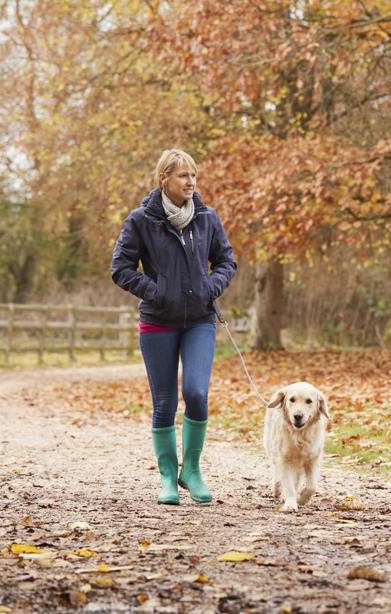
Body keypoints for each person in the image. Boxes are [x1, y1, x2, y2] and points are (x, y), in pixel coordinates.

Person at [111, 149, 237, 505]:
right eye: (183, 176)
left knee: (196, 393)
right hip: (157, 322)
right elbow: (120, 268)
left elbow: (227, 260)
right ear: (164, 178)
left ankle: (191, 470)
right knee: (164, 402)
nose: (191, 182)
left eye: (194, 176)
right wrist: (157, 292)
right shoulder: (140, 220)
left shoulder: (207, 218)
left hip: (199, 320)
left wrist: (211, 287)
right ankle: (168, 476)